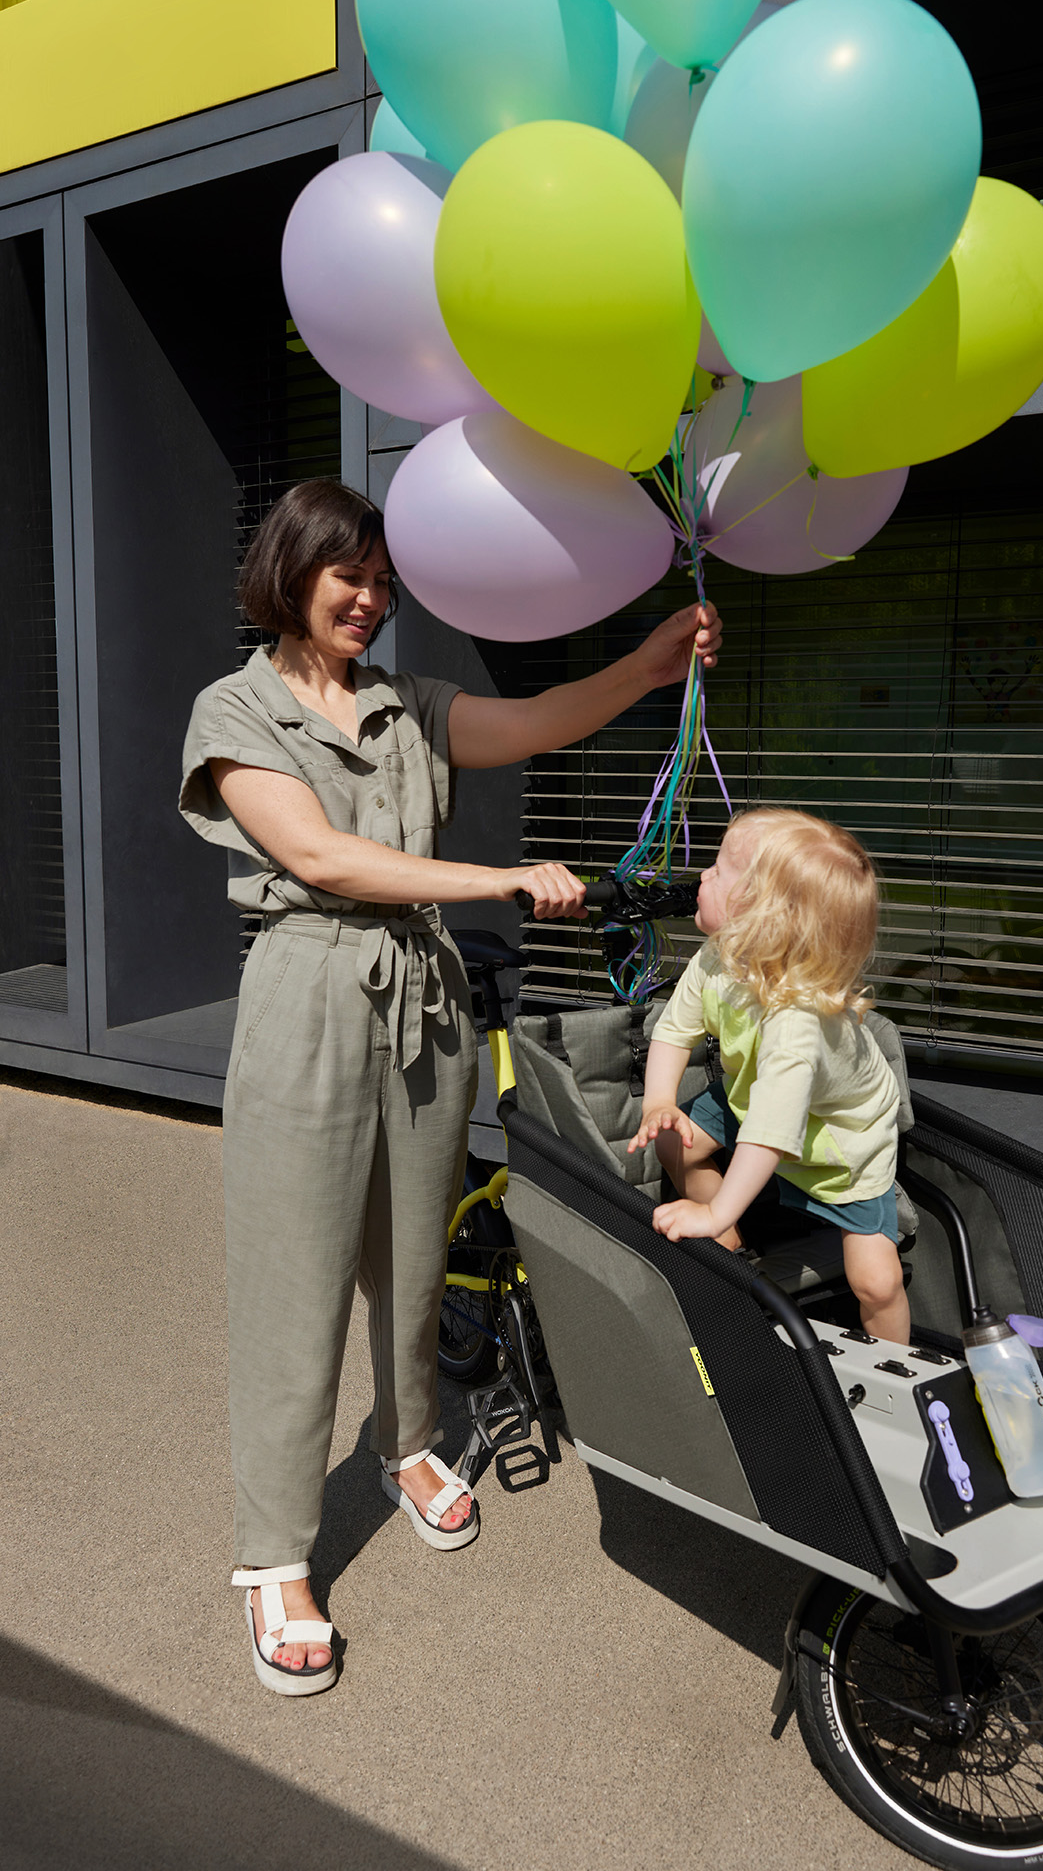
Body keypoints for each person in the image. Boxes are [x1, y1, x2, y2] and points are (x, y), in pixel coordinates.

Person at [179, 477, 720, 1696]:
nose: (370, 600)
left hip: (422, 996)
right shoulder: (235, 707)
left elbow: (535, 721)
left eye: (384, 582)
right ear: (292, 572)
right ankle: (274, 1555)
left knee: (415, 1253)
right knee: (295, 1279)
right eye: (349, 577)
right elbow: (318, 856)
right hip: (310, 993)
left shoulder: (411, 703)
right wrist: (499, 880)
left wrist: (648, 666)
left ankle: (410, 1443)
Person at [627, 808, 909, 1344]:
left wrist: (713, 1213)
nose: (703, 875)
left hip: (840, 1139)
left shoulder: (796, 1023)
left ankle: (898, 1367)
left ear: (758, 913)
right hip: (755, 1096)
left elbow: (769, 1136)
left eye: (717, 870)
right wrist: (658, 1101)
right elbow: (674, 1031)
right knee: (673, 1140)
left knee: (876, 1283)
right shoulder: (717, 957)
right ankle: (728, 1241)